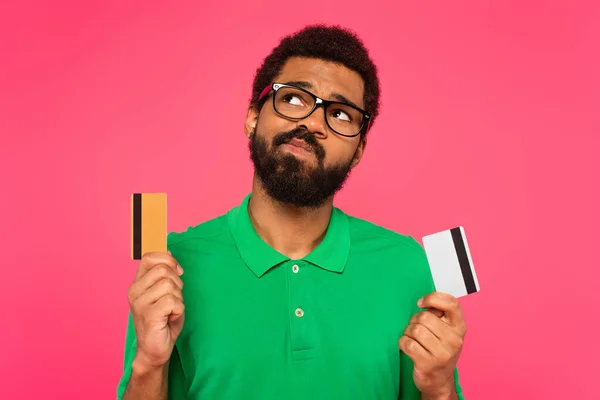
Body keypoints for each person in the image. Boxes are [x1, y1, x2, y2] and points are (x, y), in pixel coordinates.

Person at [116, 24, 467, 400]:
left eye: (342, 115)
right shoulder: (171, 265)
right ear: (253, 116)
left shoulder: (408, 265)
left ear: (359, 151)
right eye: (295, 99)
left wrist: (440, 388)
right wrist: (149, 364)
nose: (313, 123)